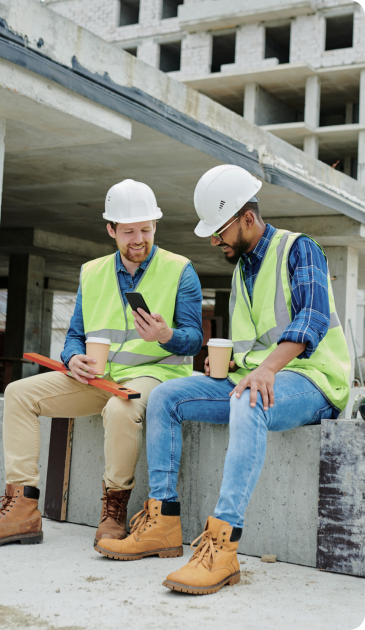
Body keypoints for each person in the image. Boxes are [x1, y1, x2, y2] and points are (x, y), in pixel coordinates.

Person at [95, 165, 350, 596]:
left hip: (314, 380)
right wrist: (230, 367)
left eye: (220, 231)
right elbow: (254, 345)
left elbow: (313, 318)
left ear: (247, 218)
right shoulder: (242, 270)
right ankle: (163, 520)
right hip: (261, 376)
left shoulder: (298, 249)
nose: (215, 241)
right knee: (168, 397)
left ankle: (222, 544)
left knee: (248, 400)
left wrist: (266, 369)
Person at [0, 179, 203, 548]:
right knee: (18, 393)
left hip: (154, 374)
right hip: (96, 378)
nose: (139, 239)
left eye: (146, 229)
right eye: (128, 231)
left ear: (156, 225)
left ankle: (114, 510)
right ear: (111, 230)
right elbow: (74, 334)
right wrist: (73, 358)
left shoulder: (181, 270)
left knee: (122, 409)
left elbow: (195, 338)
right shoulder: (92, 273)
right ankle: (22, 510)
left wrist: (166, 336)